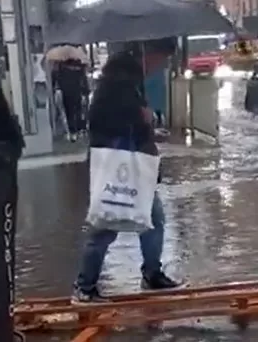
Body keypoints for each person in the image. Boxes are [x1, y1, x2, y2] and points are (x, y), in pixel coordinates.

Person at [72, 52, 180, 304]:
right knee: (105, 227)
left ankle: (152, 273)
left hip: (135, 169)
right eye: (156, 60)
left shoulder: (126, 88)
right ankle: (84, 286)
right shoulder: (113, 92)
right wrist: (142, 119)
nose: (157, 65)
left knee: (154, 220)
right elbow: (108, 127)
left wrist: (147, 124)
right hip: (119, 170)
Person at [51, 44, 90, 142]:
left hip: (66, 91)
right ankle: (80, 129)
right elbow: (83, 78)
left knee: (69, 111)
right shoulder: (79, 65)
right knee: (78, 110)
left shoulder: (60, 66)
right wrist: (85, 89)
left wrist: (55, 87)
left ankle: (73, 132)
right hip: (77, 90)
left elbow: (55, 78)